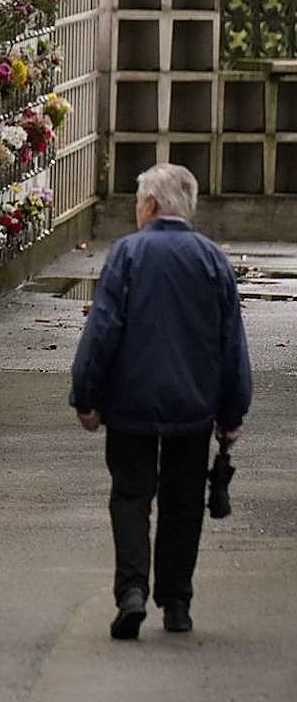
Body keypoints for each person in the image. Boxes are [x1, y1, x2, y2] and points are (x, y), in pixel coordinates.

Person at [69, 163, 251, 640]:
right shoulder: (212, 260)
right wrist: (232, 413)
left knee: (130, 496)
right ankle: (176, 603)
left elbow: (102, 332)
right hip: (193, 409)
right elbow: (231, 344)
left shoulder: (127, 254)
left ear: (149, 206)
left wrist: (86, 397)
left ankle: (131, 592)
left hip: (130, 406)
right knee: (183, 503)